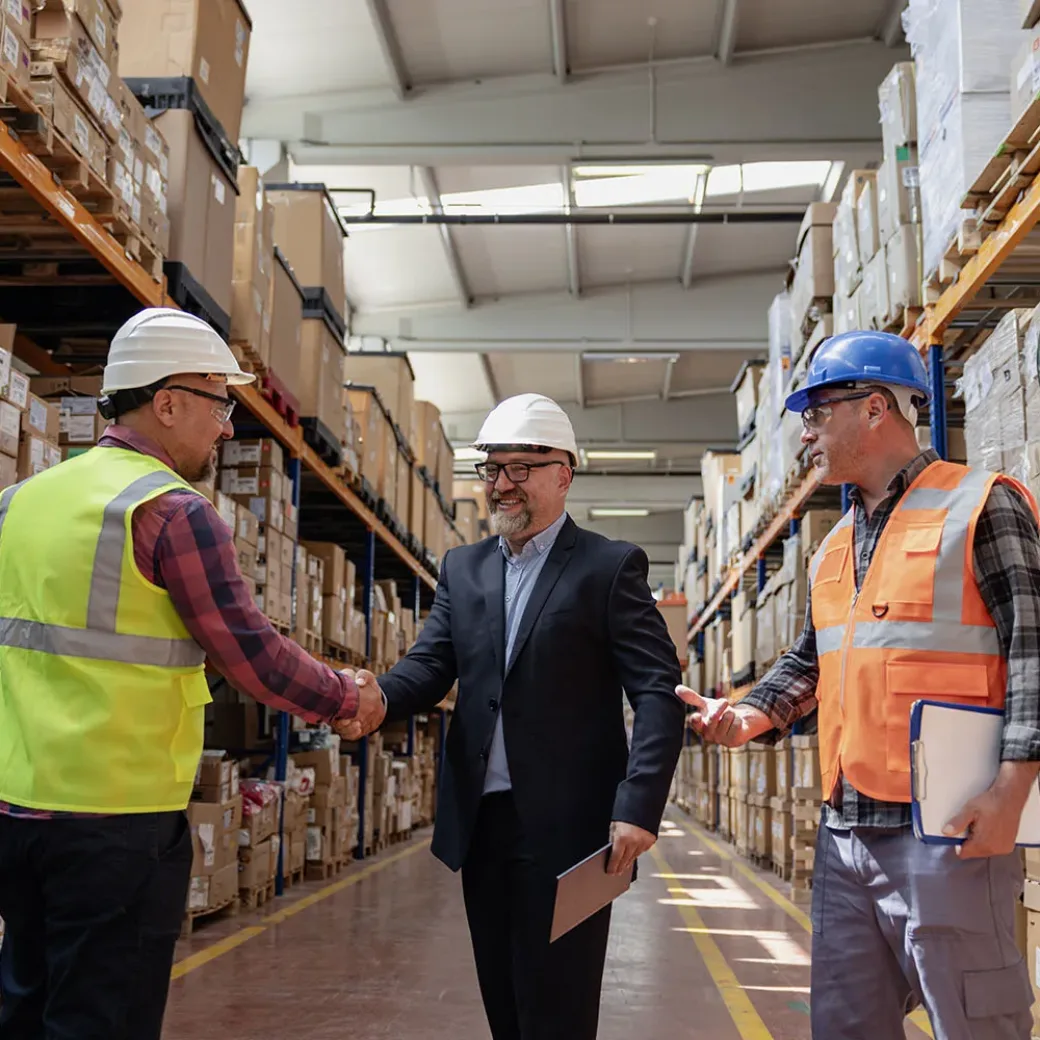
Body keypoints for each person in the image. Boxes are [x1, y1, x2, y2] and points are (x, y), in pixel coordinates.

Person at [0, 308, 380, 1040]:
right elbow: (253, 655)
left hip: (17, 815)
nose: (228, 426)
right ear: (166, 402)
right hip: (116, 824)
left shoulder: (19, 502)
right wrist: (346, 697)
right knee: (100, 1020)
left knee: (24, 1007)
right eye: (218, 402)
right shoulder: (172, 513)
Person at [679, 330, 1040, 1039]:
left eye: (816, 414)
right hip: (848, 837)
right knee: (846, 1026)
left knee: (975, 1025)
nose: (805, 436)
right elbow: (812, 663)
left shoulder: (981, 506)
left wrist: (1013, 788)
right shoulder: (835, 546)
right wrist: (748, 714)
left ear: (874, 408)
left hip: (950, 833)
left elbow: (1034, 648)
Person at [340, 392, 685, 1040]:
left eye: (519, 469)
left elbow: (657, 692)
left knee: (557, 1013)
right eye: (492, 469)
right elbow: (429, 666)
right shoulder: (464, 570)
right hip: (484, 827)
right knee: (505, 1006)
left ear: (564, 472)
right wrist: (377, 697)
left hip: (573, 834)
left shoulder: (608, 569)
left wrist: (639, 806)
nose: (502, 485)